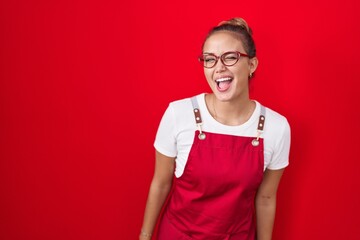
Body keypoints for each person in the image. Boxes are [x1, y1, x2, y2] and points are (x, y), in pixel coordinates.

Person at [139, 17, 291, 240]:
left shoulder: (276, 127)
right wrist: (144, 236)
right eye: (209, 59)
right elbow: (161, 183)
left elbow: (266, 198)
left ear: (252, 65)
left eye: (230, 57)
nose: (219, 67)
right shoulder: (178, 113)